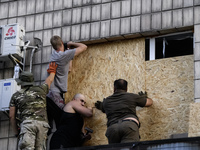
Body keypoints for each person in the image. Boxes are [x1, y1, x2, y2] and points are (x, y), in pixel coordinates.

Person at [9, 62, 58, 150]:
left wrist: (16, 133)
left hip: (27, 124)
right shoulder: (42, 89)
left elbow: (11, 116)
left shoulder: (15, 96)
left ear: (21, 83)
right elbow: (49, 80)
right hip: (42, 125)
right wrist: (52, 72)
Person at [46, 35, 87, 129]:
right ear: (61, 43)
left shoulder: (55, 54)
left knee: (57, 121)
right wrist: (71, 43)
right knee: (65, 115)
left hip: (51, 93)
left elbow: (69, 69)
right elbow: (84, 47)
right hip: (55, 93)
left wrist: (69, 54)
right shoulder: (63, 55)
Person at [95, 79, 153, 144]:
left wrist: (101, 105)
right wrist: (144, 98)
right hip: (129, 126)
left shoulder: (106, 101)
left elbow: (102, 108)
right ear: (126, 88)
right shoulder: (132, 97)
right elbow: (149, 103)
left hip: (113, 128)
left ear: (114, 88)